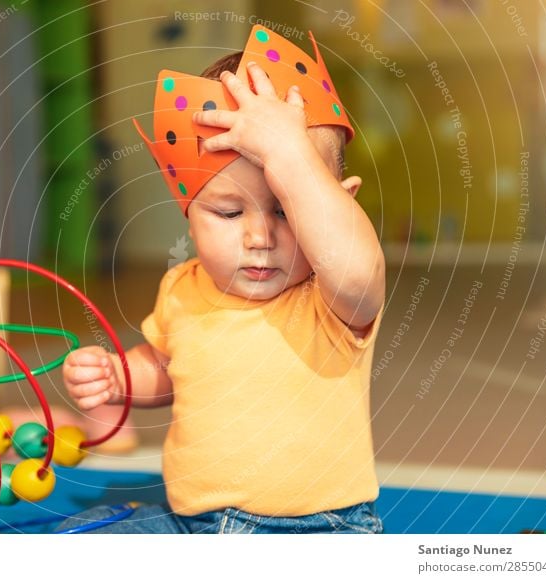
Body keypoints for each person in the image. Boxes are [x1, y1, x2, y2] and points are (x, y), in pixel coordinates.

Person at [58, 25, 385, 534]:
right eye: (229, 213)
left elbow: (357, 265)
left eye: (286, 207)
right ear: (188, 213)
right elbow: (173, 368)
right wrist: (121, 377)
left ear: (340, 203)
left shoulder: (331, 298)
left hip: (313, 532)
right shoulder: (182, 289)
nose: (259, 236)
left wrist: (289, 154)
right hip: (192, 523)